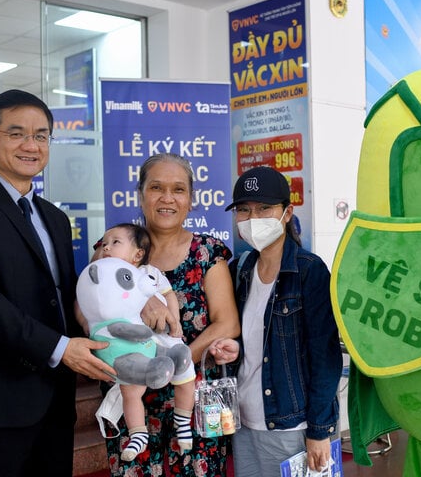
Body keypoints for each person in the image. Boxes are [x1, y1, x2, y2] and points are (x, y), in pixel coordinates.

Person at [0, 89, 116, 477]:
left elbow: (61, 295)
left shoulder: (54, 218)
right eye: (17, 134)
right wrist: (60, 348)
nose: (31, 145)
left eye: (41, 135)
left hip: (54, 402)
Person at [101, 152, 240, 477]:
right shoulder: (116, 246)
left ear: (191, 199)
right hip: (131, 400)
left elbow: (227, 322)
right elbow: (84, 307)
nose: (167, 198)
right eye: (156, 188)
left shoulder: (207, 252)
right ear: (141, 194)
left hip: (192, 401)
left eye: (178, 189)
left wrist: (171, 364)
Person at [208, 166, 343, 477]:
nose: (253, 218)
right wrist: (232, 347)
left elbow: (326, 357)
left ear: (287, 212)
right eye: (244, 209)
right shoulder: (240, 269)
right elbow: (255, 339)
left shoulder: (309, 271)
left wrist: (319, 430)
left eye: (264, 208)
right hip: (244, 422)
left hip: (291, 426)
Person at [83, 223, 196, 460]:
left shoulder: (150, 273)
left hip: (162, 338)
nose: (106, 248)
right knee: (130, 390)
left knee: (186, 372)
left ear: (137, 254)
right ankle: (138, 433)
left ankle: (183, 419)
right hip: (131, 344)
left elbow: (168, 296)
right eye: (104, 244)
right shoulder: (102, 276)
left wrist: (175, 324)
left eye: (115, 242)